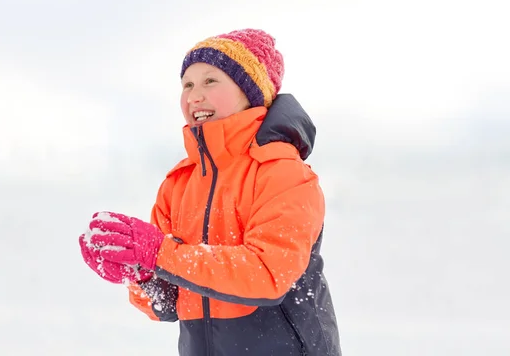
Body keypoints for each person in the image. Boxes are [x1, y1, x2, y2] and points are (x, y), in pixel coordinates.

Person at [79, 28, 341, 356]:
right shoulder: (178, 184)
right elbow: (170, 303)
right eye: (187, 84)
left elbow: (268, 274)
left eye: (210, 81)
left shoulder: (283, 171)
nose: (194, 96)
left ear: (251, 91)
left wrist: (159, 254)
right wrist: (143, 275)